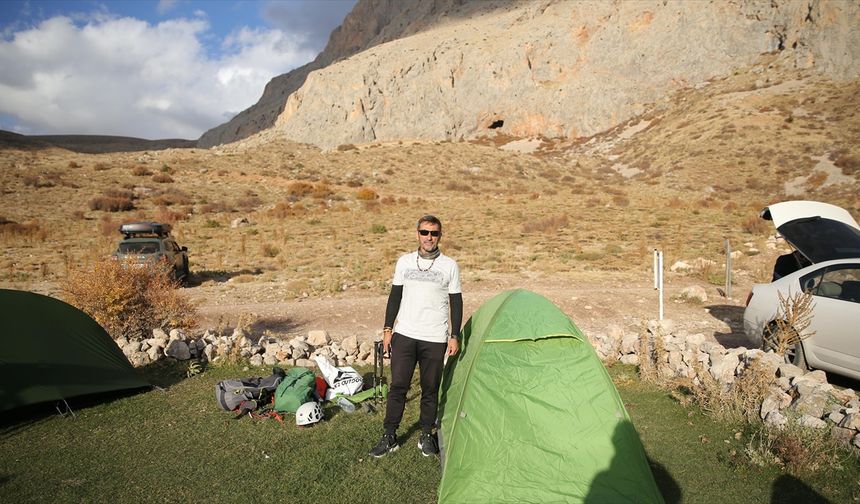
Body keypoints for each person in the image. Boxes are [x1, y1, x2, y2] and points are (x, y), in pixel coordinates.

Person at [368, 215, 462, 458]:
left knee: (430, 389)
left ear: (440, 236)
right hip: (405, 334)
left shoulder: (449, 265)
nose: (429, 237)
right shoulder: (404, 262)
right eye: (424, 232)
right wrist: (388, 329)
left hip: (434, 337)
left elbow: (456, 302)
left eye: (434, 233)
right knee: (399, 386)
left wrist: (454, 335)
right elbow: (395, 296)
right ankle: (390, 435)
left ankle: (425, 435)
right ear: (417, 234)